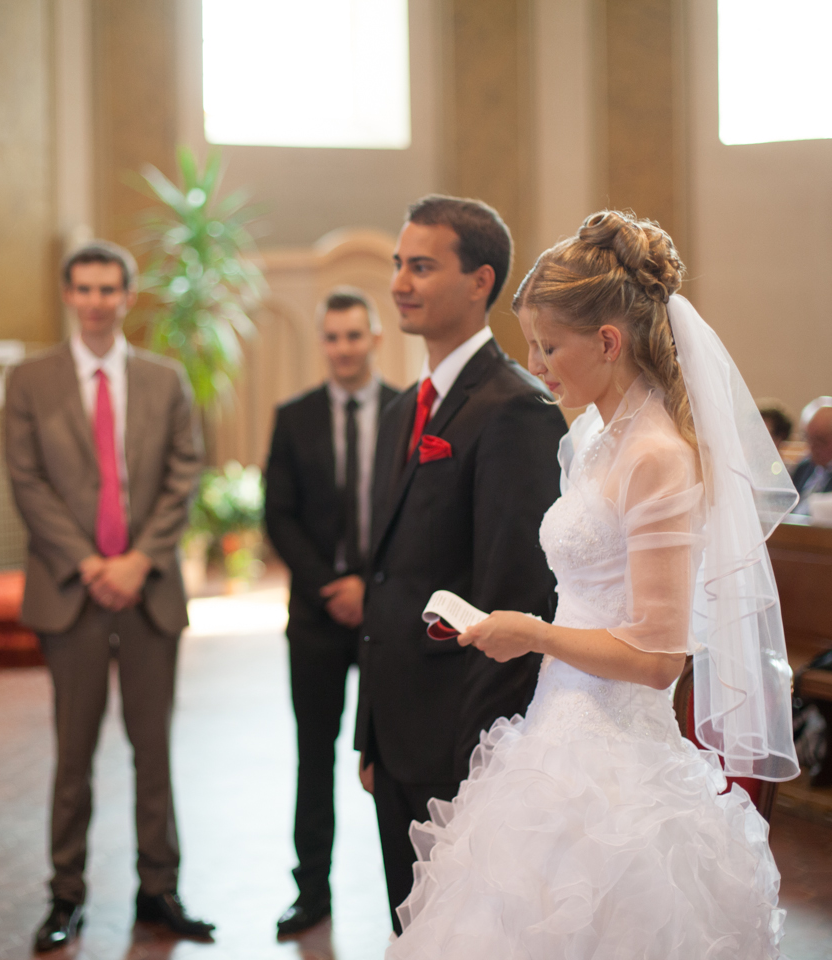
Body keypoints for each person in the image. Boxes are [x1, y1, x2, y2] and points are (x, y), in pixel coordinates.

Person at [387, 211, 798, 958]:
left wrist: (532, 633)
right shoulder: (593, 441)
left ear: (608, 342)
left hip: (617, 760)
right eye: (530, 345)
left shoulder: (658, 457)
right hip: (553, 729)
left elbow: (659, 659)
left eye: (549, 346)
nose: (536, 365)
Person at [355, 195, 567, 928]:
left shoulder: (516, 408)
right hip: (396, 731)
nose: (399, 283)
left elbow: (516, 595)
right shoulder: (401, 411)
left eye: (421, 266)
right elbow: (387, 581)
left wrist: (480, 762)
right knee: (409, 925)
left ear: (481, 281)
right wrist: (370, 733)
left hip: (457, 738)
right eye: (398, 265)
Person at [5, 241, 211, 950]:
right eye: (84, 288)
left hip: (149, 591)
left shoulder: (165, 379)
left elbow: (185, 473)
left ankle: (160, 889)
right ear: (69, 295)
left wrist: (139, 561)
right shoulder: (30, 380)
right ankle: (66, 895)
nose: (96, 301)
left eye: (108, 289)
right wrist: (91, 563)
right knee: (73, 754)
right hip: (71, 592)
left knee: (153, 751)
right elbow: (27, 481)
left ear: (127, 297)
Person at [264, 287, 399, 937]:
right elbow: (278, 516)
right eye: (333, 337)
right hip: (317, 618)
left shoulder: (407, 410)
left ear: (375, 338)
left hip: (387, 616)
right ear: (321, 343)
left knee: (393, 760)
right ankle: (310, 892)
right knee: (313, 757)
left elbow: (417, 516)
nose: (344, 348)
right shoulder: (294, 418)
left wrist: (369, 590)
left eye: (354, 335)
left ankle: (408, 890)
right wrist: (332, 587)